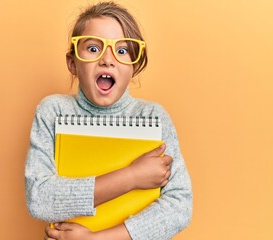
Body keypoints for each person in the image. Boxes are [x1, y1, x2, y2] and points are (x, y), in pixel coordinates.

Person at [25, 2, 192, 239]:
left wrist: (96, 239)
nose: (107, 59)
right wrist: (132, 177)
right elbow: (39, 199)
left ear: (133, 67)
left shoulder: (153, 118)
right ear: (72, 63)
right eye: (93, 48)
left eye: (122, 51)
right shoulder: (52, 111)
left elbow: (179, 207)